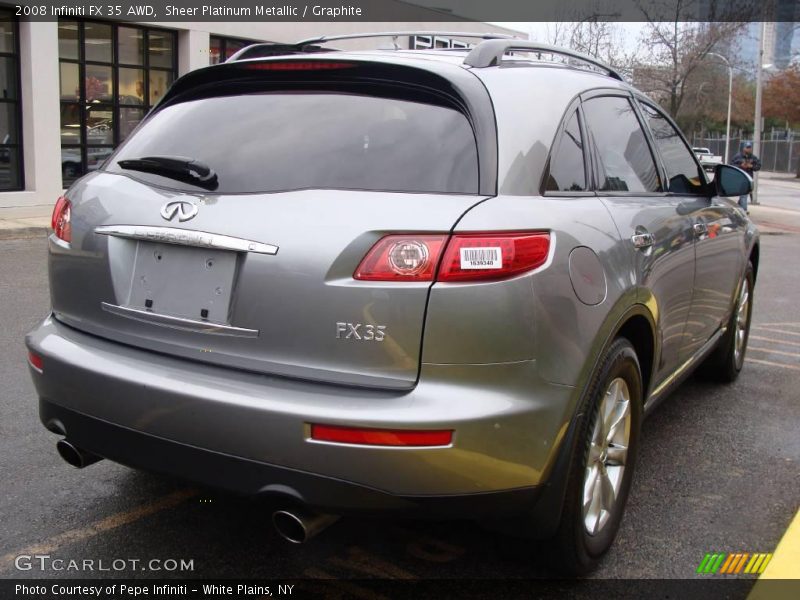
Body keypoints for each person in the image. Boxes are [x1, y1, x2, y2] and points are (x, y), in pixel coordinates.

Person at [730, 142, 761, 213]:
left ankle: (738, 208)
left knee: (744, 195)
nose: (749, 149)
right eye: (747, 147)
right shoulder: (737, 157)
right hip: (739, 178)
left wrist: (752, 166)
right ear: (743, 148)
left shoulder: (753, 157)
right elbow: (731, 165)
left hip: (748, 178)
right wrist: (741, 166)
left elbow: (758, 166)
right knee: (743, 195)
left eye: (750, 147)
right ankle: (744, 210)